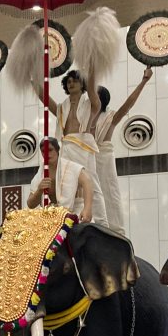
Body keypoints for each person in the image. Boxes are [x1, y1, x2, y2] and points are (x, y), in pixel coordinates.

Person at [42, 70, 108, 227]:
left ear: (82, 83)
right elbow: (45, 99)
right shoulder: (62, 107)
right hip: (65, 148)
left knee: (91, 183)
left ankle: (102, 224)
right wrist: (33, 81)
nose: (71, 83)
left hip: (82, 147)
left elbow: (91, 90)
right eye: (68, 81)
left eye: (75, 81)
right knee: (66, 184)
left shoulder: (90, 104)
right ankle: (66, 221)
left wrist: (91, 68)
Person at [93, 68, 153, 236]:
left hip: (103, 161)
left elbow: (128, 105)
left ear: (100, 99)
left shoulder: (110, 117)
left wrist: (144, 81)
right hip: (86, 162)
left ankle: (116, 236)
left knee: (110, 196)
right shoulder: (82, 119)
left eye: (93, 95)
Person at [26, 137, 93, 222]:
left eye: (50, 150)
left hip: (75, 215)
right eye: (43, 151)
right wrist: (39, 190)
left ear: (57, 150)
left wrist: (87, 209)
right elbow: (30, 204)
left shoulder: (70, 167)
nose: (46, 154)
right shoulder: (40, 175)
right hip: (51, 219)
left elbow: (87, 182)